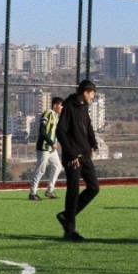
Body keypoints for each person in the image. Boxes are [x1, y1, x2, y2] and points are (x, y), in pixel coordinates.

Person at [55, 80, 100, 241]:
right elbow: (60, 132)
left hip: (85, 155)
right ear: (85, 92)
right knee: (73, 191)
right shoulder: (69, 106)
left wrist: (93, 143)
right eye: (92, 93)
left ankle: (66, 216)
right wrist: (72, 154)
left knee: (94, 188)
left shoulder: (84, 107)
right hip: (72, 157)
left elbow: (87, 126)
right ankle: (69, 231)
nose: (93, 97)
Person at [28, 97, 64, 201]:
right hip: (44, 147)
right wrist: (51, 142)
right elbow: (42, 131)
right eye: (61, 105)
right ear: (55, 105)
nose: (62, 107)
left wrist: (55, 141)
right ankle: (32, 193)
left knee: (57, 166)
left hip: (51, 148)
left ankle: (49, 190)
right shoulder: (47, 114)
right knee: (40, 170)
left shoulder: (55, 116)